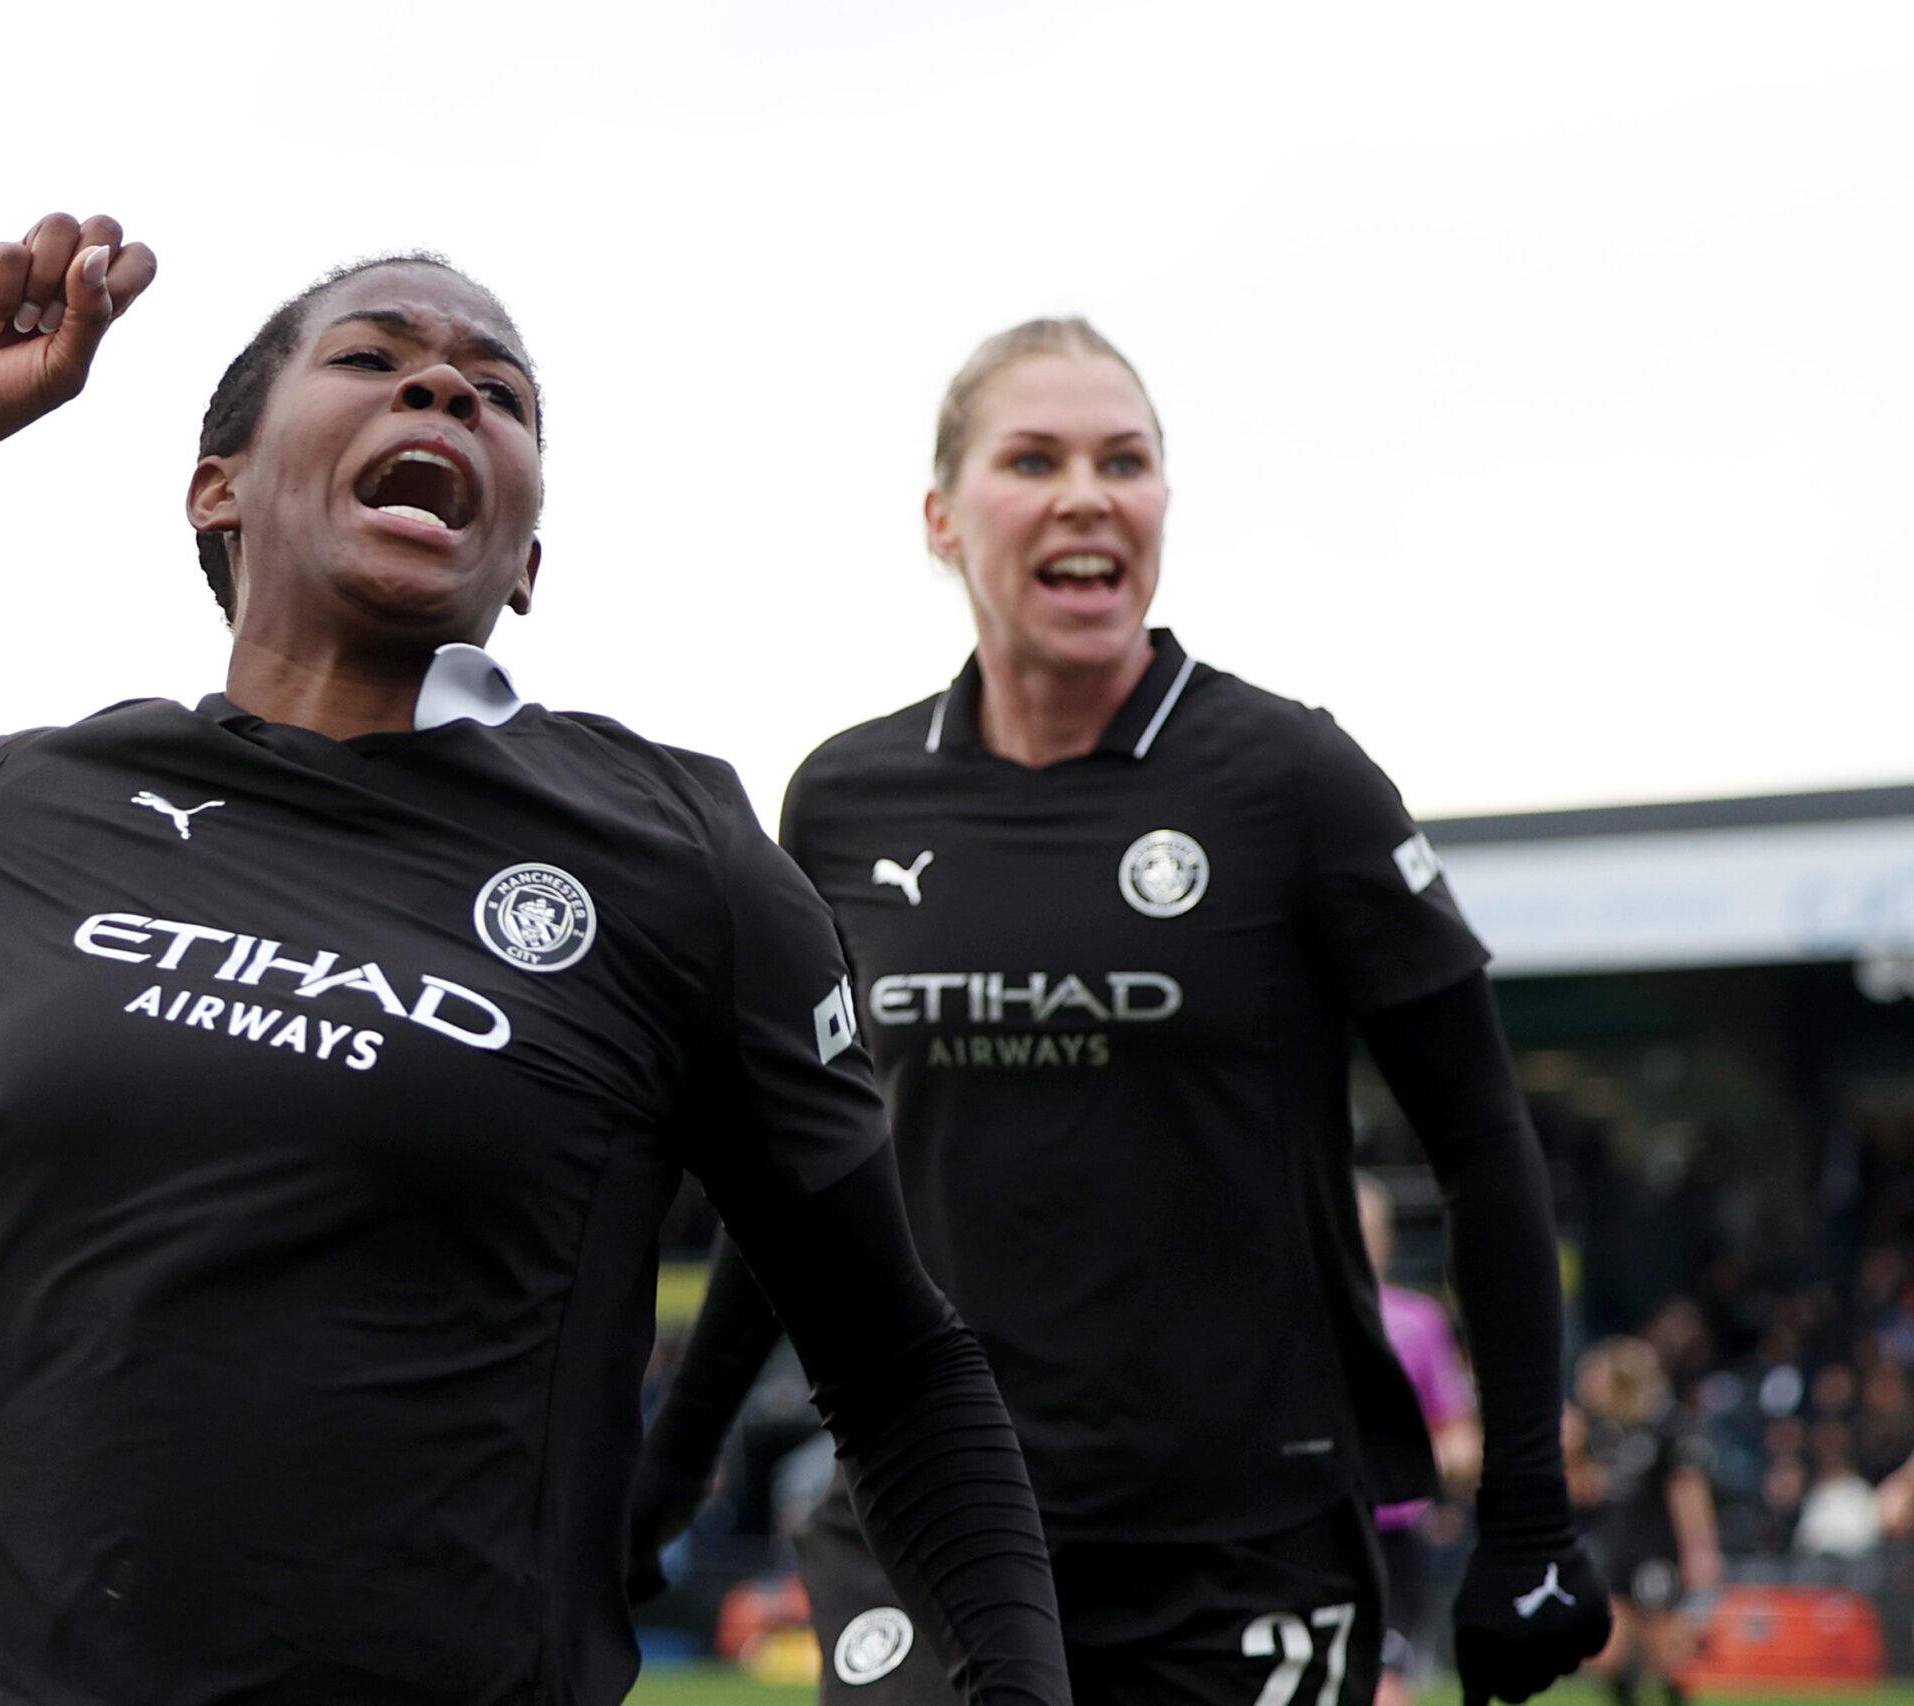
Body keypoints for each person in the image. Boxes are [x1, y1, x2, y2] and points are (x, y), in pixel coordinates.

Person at [0, 214, 1069, 1706]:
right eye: (371, 358)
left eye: (499, 391)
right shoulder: (35, 807)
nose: (446, 387)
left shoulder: (678, 855)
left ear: (526, 559)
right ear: (219, 488)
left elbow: (896, 1363)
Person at [627, 318, 1610, 1706]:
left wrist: (1527, 1511)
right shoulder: (844, 799)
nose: (1087, 495)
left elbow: (1487, 1142)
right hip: (934, 1521)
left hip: (1239, 1542)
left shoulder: (1293, 779)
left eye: (1124, 461)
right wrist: (668, 1467)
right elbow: (801, 1180)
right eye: (1034, 460)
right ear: (941, 517)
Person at [1357, 1175, 1483, 1706]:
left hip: (1391, 1539)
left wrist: (1408, 1462)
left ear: (1386, 1240)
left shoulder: (1418, 1321)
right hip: (1308, 1530)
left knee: (1385, 1686)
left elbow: (1462, 1443)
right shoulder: (1288, 1318)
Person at [1568, 1338, 1718, 1706]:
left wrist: (1700, 1550)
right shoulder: (1604, 1433)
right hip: (1617, 1548)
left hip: (1657, 1549)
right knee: (1606, 1654)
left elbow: (1687, 1492)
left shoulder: (1669, 1429)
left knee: (1665, 1652)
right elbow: (1584, 1489)